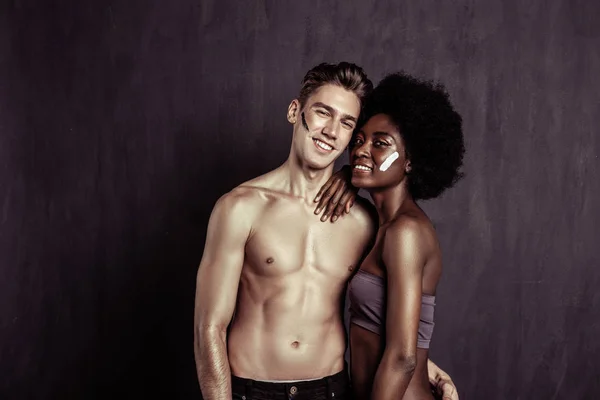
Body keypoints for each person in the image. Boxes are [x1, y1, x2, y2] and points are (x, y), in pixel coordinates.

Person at [194, 62, 458, 400]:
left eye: (347, 123)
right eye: (322, 113)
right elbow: (208, 328)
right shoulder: (240, 208)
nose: (331, 131)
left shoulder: (366, 221)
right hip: (254, 390)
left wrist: (424, 367)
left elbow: (386, 318)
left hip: (332, 390)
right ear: (295, 111)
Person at [327, 72, 465, 400]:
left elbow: (403, 358)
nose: (361, 149)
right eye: (358, 140)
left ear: (409, 162)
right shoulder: (380, 225)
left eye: (380, 143)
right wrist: (349, 174)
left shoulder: (405, 232)